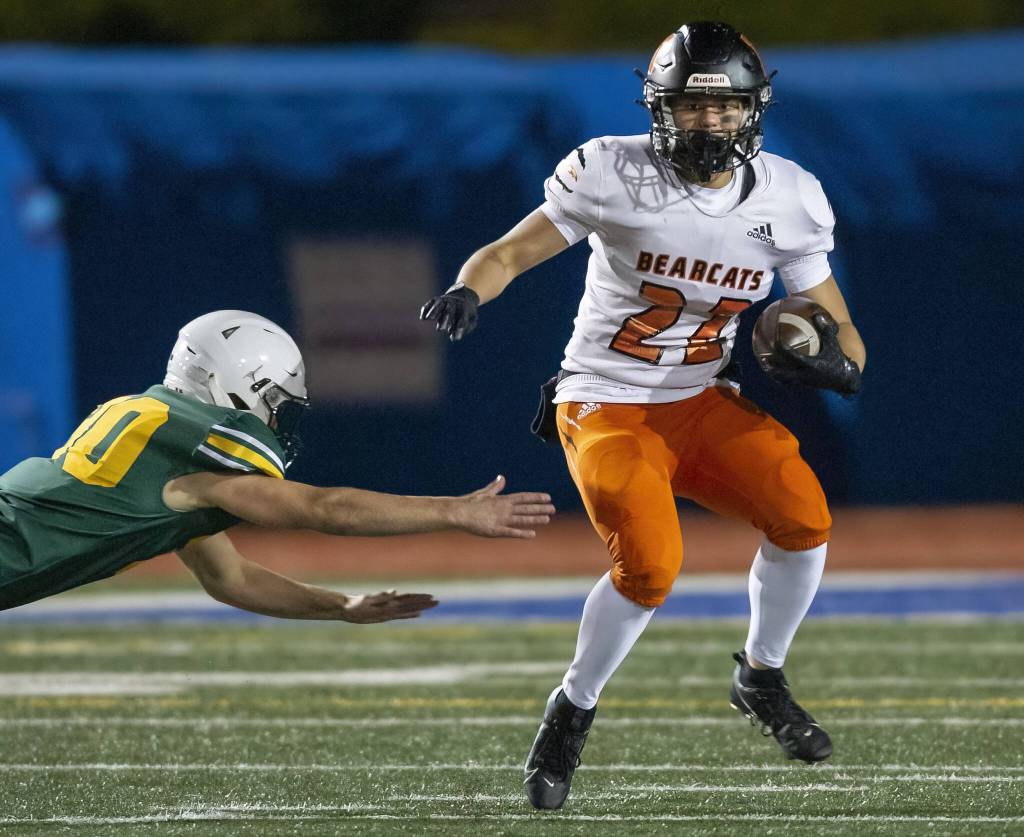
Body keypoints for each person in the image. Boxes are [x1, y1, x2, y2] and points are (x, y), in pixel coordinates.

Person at [421, 21, 866, 810]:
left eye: (726, 106)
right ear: (660, 107)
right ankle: (572, 708)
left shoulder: (789, 196)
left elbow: (844, 333)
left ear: (753, 109)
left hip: (698, 399)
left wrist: (834, 363)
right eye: (693, 105)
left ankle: (760, 675)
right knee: (652, 564)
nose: (710, 122)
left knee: (804, 516)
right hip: (605, 397)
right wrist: (468, 287)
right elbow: (509, 252)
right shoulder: (611, 169)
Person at [0, 310, 555, 623]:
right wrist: (454, 512)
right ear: (238, 386)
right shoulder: (198, 449)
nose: (276, 419)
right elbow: (322, 508)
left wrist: (341, 606)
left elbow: (230, 578)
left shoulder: (155, 432)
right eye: (275, 401)